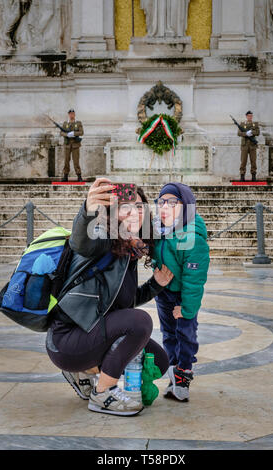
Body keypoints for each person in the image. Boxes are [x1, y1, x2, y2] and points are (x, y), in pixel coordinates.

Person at [46, 177, 173, 416]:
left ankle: (84, 372)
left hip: (90, 333)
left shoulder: (127, 252)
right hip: (67, 340)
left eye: (138, 206)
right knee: (141, 322)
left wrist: (156, 285)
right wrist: (88, 210)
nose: (134, 212)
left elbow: (124, 304)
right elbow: (80, 242)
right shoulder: (100, 243)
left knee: (158, 360)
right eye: (125, 207)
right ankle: (102, 393)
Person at [152, 183, 210, 402]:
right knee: (168, 335)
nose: (165, 206)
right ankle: (173, 373)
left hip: (183, 296)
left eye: (173, 202)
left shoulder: (193, 237)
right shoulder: (160, 230)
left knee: (186, 334)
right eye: (161, 202)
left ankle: (184, 372)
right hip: (164, 293)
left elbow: (194, 280)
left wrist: (186, 308)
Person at [60, 109, 84, 182]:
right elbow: (61, 132)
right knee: (66, 161)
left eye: (73, 114)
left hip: (75, 145)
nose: (71, 115)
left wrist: (73, 133)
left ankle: (79, 176)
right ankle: (65, 176)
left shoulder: (78, 123)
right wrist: (67, 134)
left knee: (76, 161)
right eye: (70, 114)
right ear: (68, 115)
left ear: (74, 114)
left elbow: (81, 132)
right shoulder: (65, 123)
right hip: (67, 145)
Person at [238, 111, 260, 182]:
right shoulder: (242, 124)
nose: (250, 117)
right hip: (244, 146)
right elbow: (239, 133)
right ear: (246, 116)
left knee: (253, 161)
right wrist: (246, 134)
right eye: (249, 116)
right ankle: (242, 176)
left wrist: (251, 133)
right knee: (243, 161)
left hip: (252, 145)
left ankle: (253, 176)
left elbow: (258, 132)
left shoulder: (255, 124)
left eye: (251, 116)